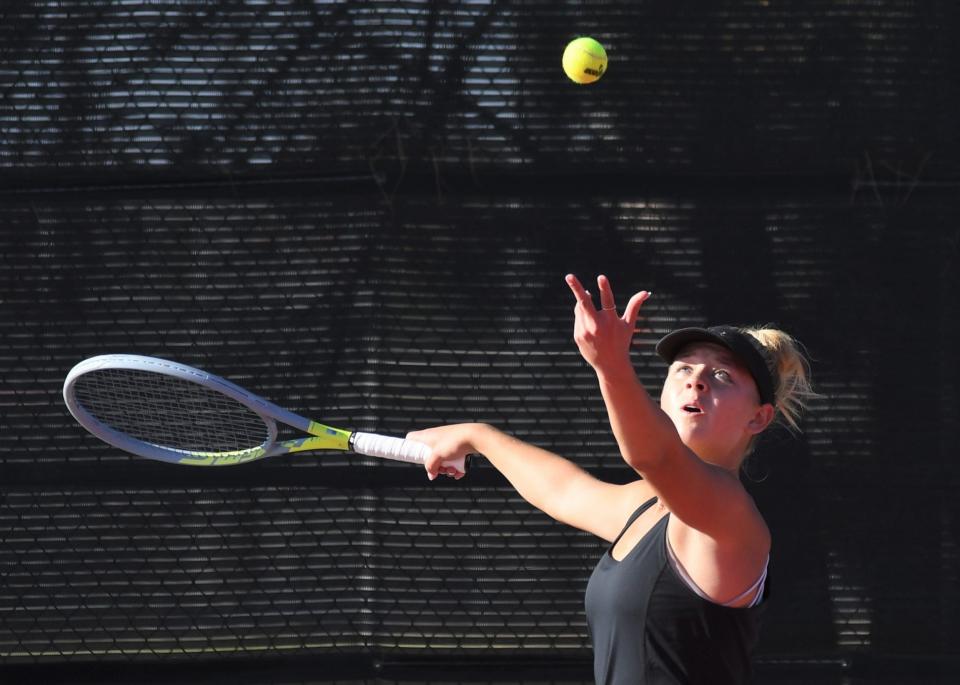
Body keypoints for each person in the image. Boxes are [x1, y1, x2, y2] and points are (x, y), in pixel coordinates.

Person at [409, 274, 817, 684]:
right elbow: (563, 490)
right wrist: (477, 436)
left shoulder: (730, 515)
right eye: (683, 368)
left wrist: (610, 364)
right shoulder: (646, 506)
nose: (696, 380)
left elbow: (653, 456)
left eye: (723, 375)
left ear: (758, 417)